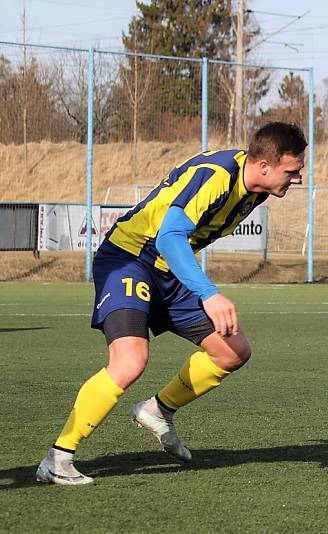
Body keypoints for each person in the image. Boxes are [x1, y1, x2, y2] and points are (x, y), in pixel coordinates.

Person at [36, 122, 307, 485]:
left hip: (168, 270)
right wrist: (209, 293)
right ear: (264, 166)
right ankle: (58, 457)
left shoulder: (255, 190)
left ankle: (158, 409)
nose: (296, 179)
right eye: (291, 171)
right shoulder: (215, 177)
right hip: (130, 257)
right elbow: (169, 237)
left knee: (232, 351)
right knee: (131, 360)